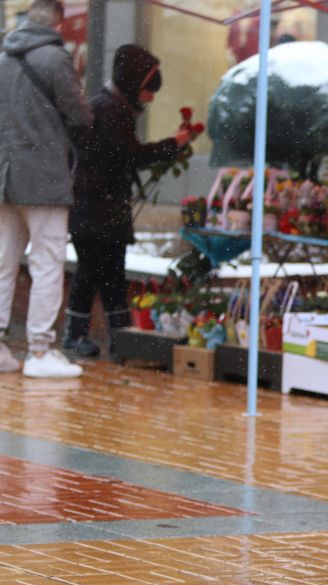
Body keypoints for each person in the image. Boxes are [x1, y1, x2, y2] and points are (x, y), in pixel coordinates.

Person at [62, 45, 191, 356]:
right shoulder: (111, 111)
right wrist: (175, 143)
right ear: (134, 85)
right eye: (149, 90)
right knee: (93, 271)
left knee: (110, 272)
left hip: (99, 207)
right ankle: (77, 336)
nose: (151, 98)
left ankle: (120, 336)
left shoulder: (107, 106)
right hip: (97, 208)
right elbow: (132, 155)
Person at [0, 0, 92, 377]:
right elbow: (80, 115)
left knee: (3, 264)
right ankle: (40, 350)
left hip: (5, 176)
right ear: (57, 23)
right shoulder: (55, 60)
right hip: (43, 179)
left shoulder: (2, 59)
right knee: (48, 262)